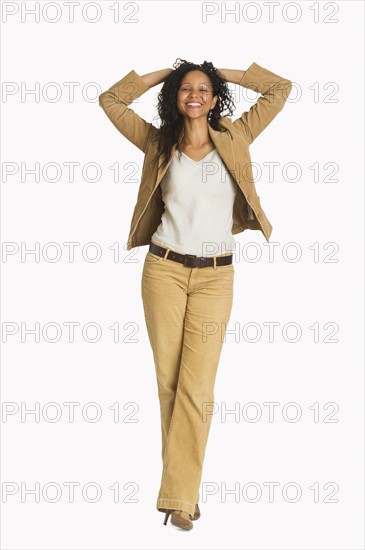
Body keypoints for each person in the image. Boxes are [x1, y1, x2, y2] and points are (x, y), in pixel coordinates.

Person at [99, 58, 292, 530]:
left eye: (204, 89)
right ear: (174, 96)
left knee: (197, 388)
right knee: (169, 385)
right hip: (163, 272)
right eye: (185, 88)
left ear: (214, 96)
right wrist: (164, 74)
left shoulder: (236, 134)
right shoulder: (158, 142)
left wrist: (224, 73)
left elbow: (279, 89)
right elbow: (111, 100)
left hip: (215, 277)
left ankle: (178, 494)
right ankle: (182, 497)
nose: (195, 95)